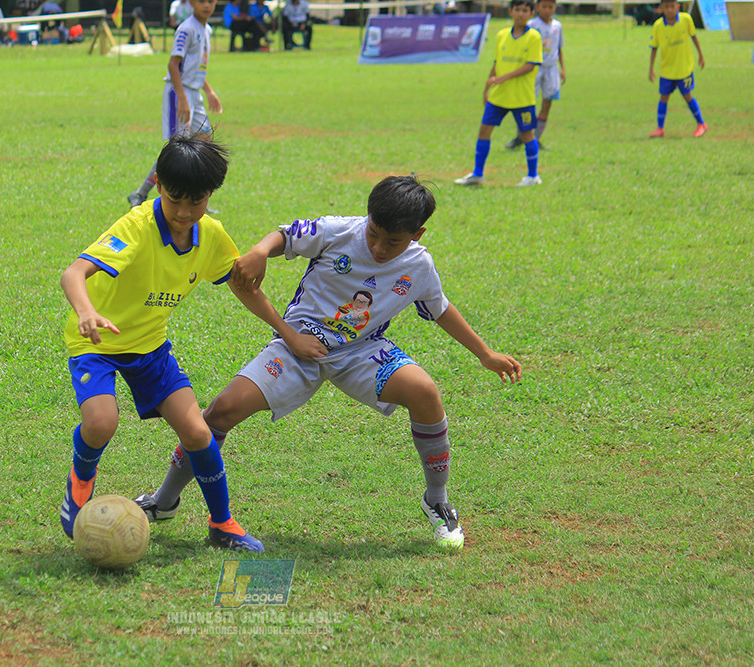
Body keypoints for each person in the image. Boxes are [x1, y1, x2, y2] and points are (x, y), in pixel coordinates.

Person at [133, 176, 522, 550]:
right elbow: (285, 235)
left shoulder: (419, 265)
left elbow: (440, 309)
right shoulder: (338, 231)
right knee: (221, 411)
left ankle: (437, 500)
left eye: (394, 241)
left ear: (417, 235)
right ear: (367, 218)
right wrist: (258, 252)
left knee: (424, 392)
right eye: (374, 234)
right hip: (297, 344)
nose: (380, 248)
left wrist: (485, 353)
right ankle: (164, 500)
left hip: (361, 351)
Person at [59, 134, 268, 553]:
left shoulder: (209, 235)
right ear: (157, 186)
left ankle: (222, 524)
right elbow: (73, 274)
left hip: (150, 346)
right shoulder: (136, 226)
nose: (184, 213)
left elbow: (242, 286)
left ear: (211, 195)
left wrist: (288, 331)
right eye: (174, 201)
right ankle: (79, 489)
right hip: (97, 341)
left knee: (197, 432)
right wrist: (86, 312)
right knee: (101, 422)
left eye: (196, 202)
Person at [126, 0, 221, 208]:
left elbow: (195, 68)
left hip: (193, 92)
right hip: (179, 92)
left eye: (211, 1)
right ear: (192, 3)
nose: (207, 5)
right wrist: (182, 99)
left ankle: (197, 196)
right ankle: (140, 193)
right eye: (201, 1)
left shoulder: (207, 30)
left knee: (204, 141)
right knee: (177, 149)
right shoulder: (186, 29)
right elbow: (173, 64)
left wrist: (209, 91)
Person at [455, 0, 542, 187]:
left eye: (525, 10)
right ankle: (477, 174)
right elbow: (497, 63)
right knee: (484, 130)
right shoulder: (502, 35)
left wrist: (504, 78)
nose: (520, 13)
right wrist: (487, 88)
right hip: (499, 96)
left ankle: (533, 176)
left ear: (531, 13)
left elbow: (530, 66)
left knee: (527, 134)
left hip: (522, 97)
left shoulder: (534, 37)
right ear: (510, 11)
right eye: (517, 9)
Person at [506, 0, 565, 150]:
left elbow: (559, 48)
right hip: (534, 68)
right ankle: (522, 136)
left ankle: (536, 138)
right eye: (544, 6)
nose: (547, 10)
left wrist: (562, 68)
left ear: (554, 8)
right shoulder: (532, 24)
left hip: (551, 69)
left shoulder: (557, 26)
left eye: (550, 7)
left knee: (547, 104)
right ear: (537, 7)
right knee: (526, 103)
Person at [648, 0, 706, 138]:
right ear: (661, 8)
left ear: (677, 7)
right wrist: (651, 69)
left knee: (687, 96)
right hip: (667, 70)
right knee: (663, 97)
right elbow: (654, 48)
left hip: (684, 69)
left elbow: (694, 37)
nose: (669, 9)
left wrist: (701, 56)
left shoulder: (686, 19)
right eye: (666, 7)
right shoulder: (658, 26)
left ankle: (701, 124)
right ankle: (660, 128)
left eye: (672, 6)